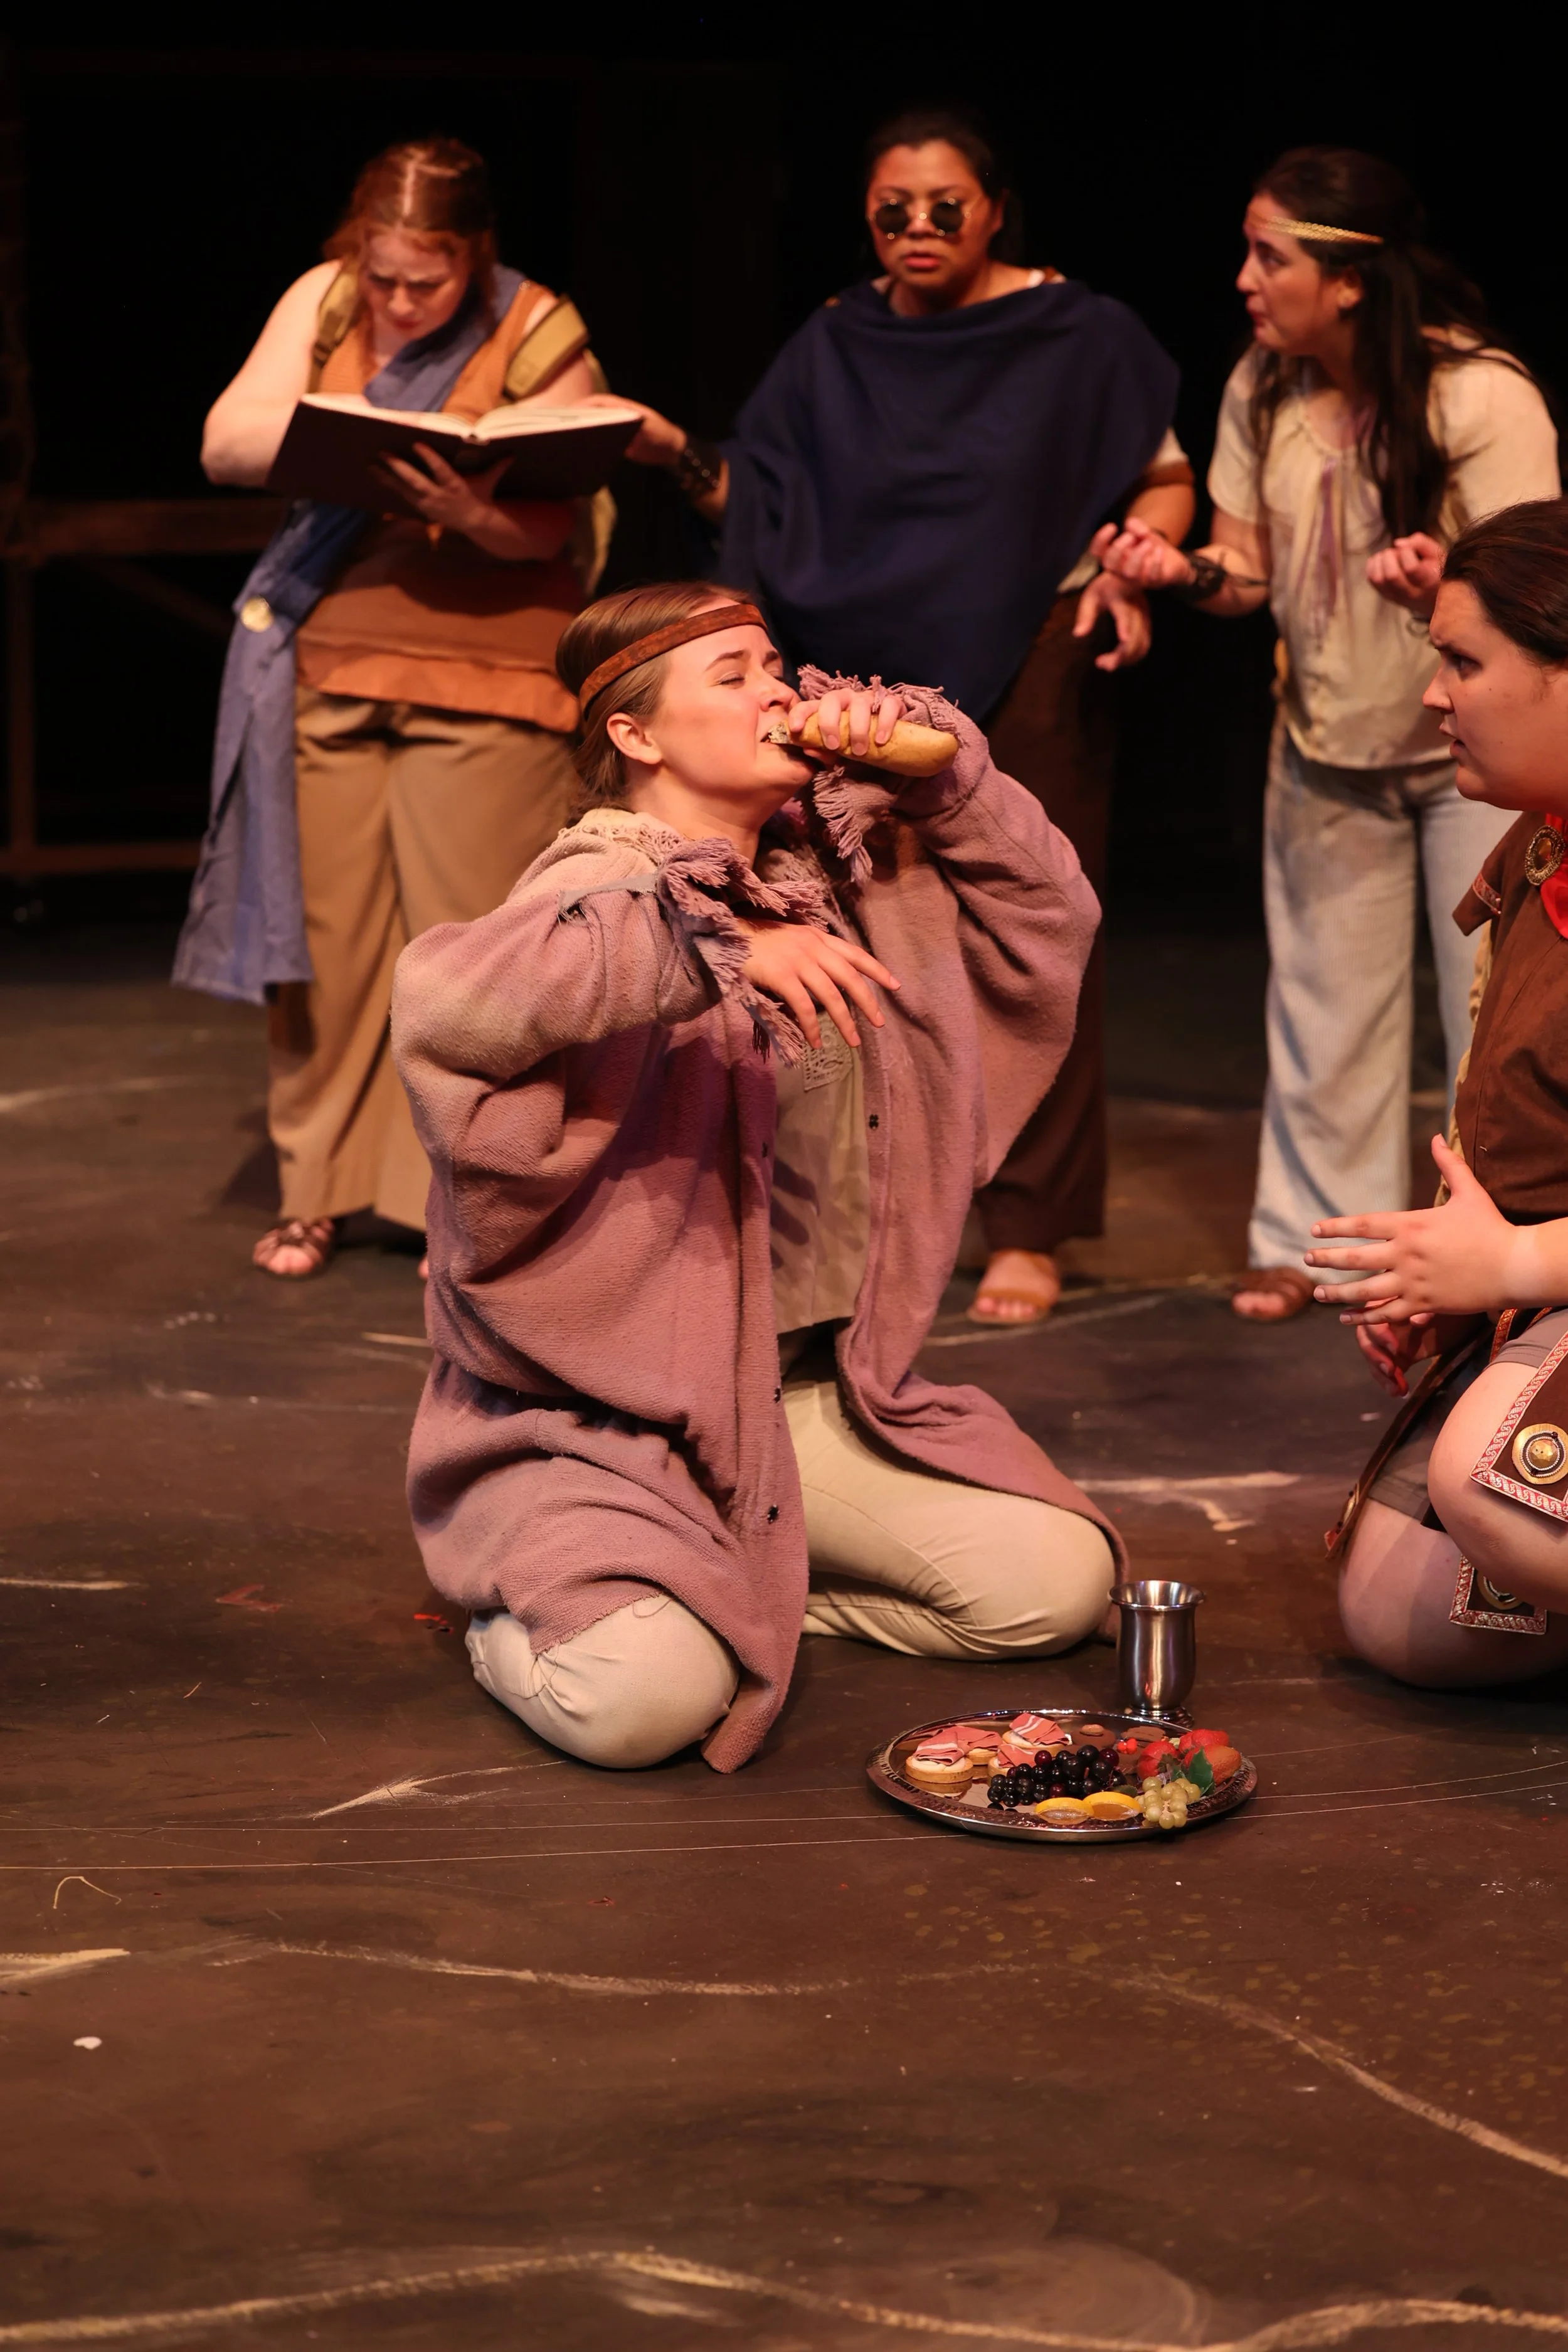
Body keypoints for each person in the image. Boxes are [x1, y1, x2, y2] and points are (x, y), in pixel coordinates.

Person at [391, 585, 1122, 1772]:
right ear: (637, 735)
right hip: (596, 1432)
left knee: (1052, 1586)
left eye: (776, 664)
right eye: (729, 675)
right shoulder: (588, 892)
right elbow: (448, 1002)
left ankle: (741, 1597)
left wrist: (949, 780)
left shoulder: (840, 874)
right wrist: (711, 942)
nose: (776, 690)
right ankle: (535, 1617)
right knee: (641, 1710)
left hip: (786, 1405)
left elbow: (1052, 911)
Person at [590, 107, 1192, 1328]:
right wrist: (668, 454)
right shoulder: (837, 339)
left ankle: (1029, 1224)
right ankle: (876, 1203)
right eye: (890, 211)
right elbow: (755, 487)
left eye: (943, 208)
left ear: (993, 208)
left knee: (1035, 932)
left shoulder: (1078, 335)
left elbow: (1164, 478)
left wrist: (1137, 562)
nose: (917, 229)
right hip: (853, 676)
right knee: (866, 933)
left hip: (1030, 649)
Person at [1094, 147, 1559, 1323]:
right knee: (1322, 1006)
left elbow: (1536, 596)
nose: (1247, 279)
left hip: (1476, 761)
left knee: (1493, 1010)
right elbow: (1244, 571)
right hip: (1326, 737)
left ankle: (1494, 1242)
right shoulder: (1264, 383)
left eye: (1272, 254)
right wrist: (1179, 568)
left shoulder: (1481, 395)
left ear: (1349, 279)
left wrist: (1435, 591)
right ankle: (1326, 1246)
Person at [174, 138, 607, 1278]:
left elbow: (560, 518)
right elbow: (226, 439)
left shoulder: (536, 324)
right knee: (324, 944)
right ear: (353, 253)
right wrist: (344, 427)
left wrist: (472, 516)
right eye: (385, 278)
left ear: (475, 257)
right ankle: (317, 1186)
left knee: (462, 946)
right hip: (330, 663)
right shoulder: (325, 304)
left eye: (430, 280)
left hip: (489, 671)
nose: (404, 301)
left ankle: (455, 1202)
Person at [1303, 501, 1568, 1682]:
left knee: (1495, 1486)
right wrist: (1458, 1277)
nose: (1434, 693)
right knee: (1409, 1609)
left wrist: (1514, 1268)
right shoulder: (1542, 840)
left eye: (1465, 661)